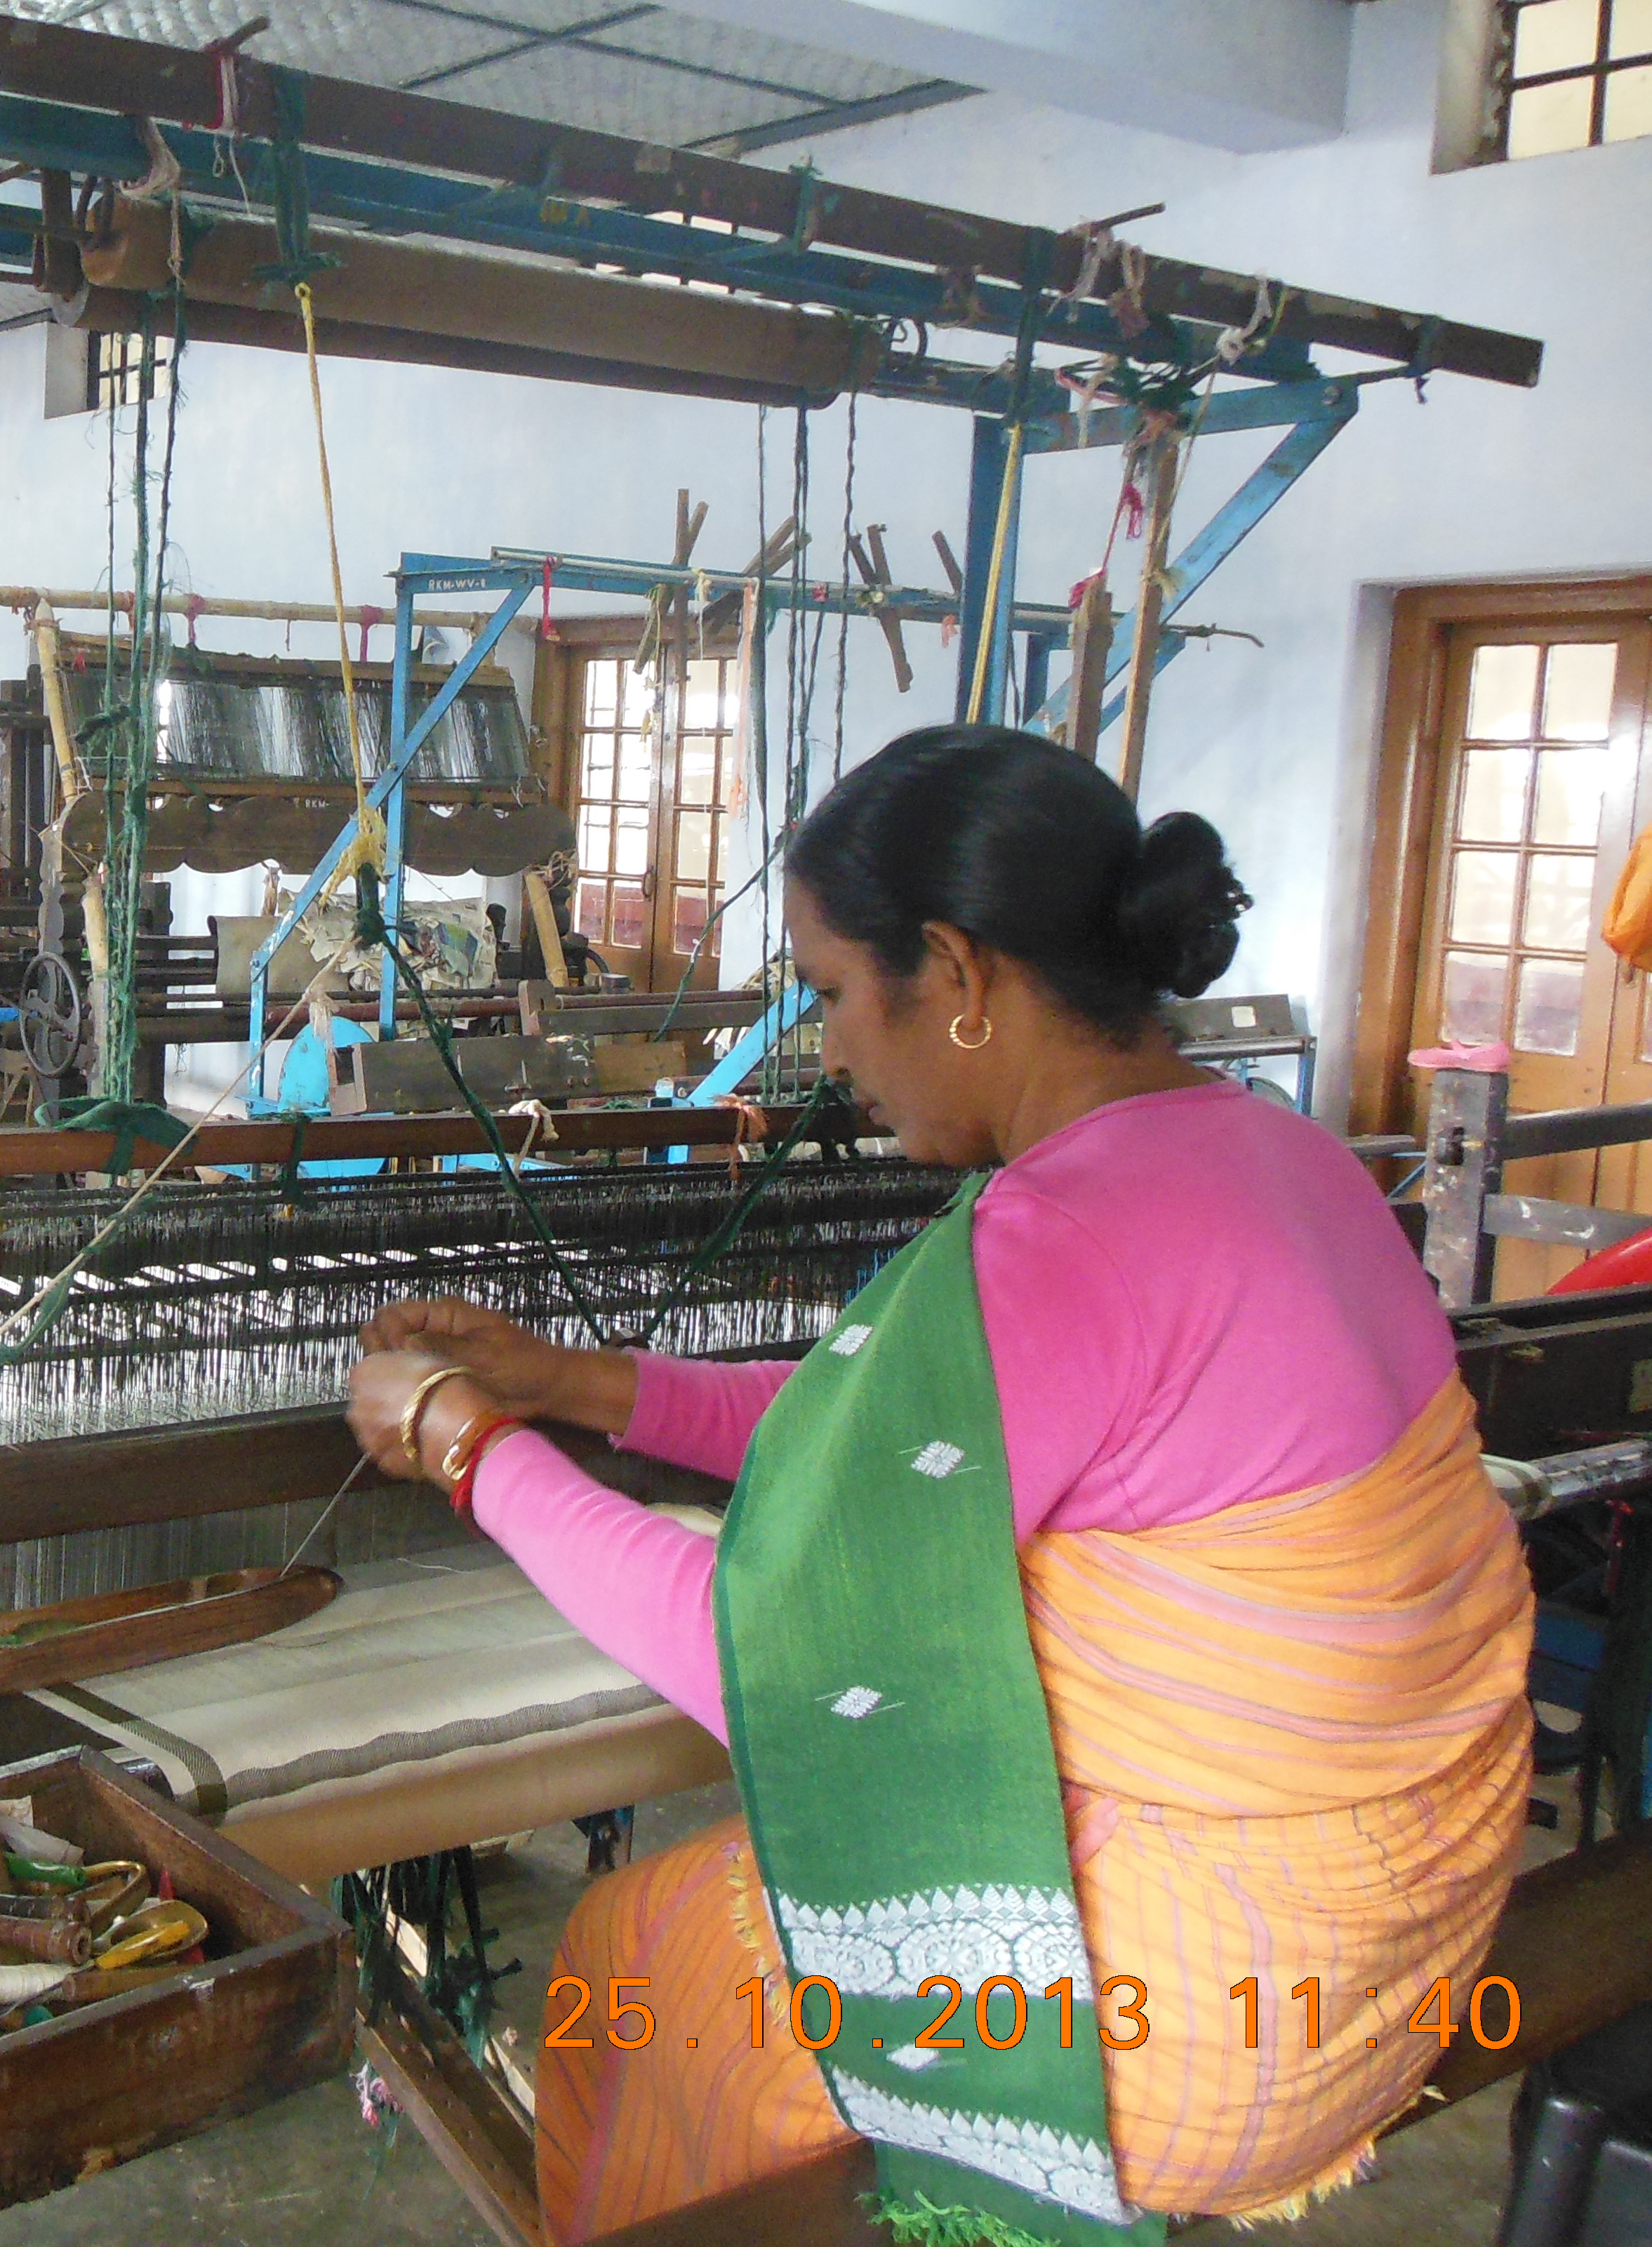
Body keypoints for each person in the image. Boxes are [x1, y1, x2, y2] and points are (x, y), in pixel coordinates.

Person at [348, 726, 1529, 2244]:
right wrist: (573, 1386)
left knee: (638, 1962)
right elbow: (897, 1434)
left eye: (834, 992)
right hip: (1406, 1944)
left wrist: (466, 1447)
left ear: (957, 974)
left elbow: (777, 1666)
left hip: (1198, 2014)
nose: (830, 1050)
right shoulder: (1284, 1159)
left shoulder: (1056, 1243)